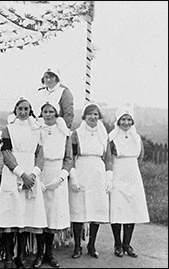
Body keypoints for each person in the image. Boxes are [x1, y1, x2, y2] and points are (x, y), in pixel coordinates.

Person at [0, 98, 47, 268]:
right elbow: (6, 153)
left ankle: (20, 256)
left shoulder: (37, 130)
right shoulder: (8, 129)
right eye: (20, 109)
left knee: (26, 214)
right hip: (14, 173)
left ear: (30, 111)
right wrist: (21, 174)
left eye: (26, 109)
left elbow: (40, 155)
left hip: (31, 174)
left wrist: (33, 174)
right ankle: (9, 257)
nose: (23, 112)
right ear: (15, 110)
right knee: (11, 215)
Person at [68, 103, 112, 260]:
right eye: (90, 114)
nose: (93, 117)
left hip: (97, 173)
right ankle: (77, 246)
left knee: (96, 209)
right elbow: (71, 156)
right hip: (81, 170)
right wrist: (73, 176)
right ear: (84, 116)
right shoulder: (76, 134)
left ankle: (92, 244)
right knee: (79, 209)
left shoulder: (103, 134)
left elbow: (108, 158)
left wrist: (109, 177)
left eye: (95, 114)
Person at [32, 101, 72, 268]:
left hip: (56, 174)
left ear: (56, 114)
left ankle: (49, 253)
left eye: (51, 111)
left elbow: (69, 158)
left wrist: (61, 177)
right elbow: (32, 154)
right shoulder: (36, 130)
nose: (48, 114)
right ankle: (39, 253)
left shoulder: (64, 132)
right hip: (40, 171)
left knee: (53, 215)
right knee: (40, 214)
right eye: (45, 111)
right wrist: (36, 178)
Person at [108, 106, 149, 258]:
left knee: (131, 209)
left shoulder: (136, 138)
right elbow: (108, 157)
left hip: (132, 174)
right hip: (118, 173)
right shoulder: (112, 138)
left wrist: (132, 169)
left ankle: (127, 244)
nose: (126, 122)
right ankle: (117, 244)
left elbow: (140, 156)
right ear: (118, 121)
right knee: (118, 208)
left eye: (128, 119)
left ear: (132, 121)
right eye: (123, 119)